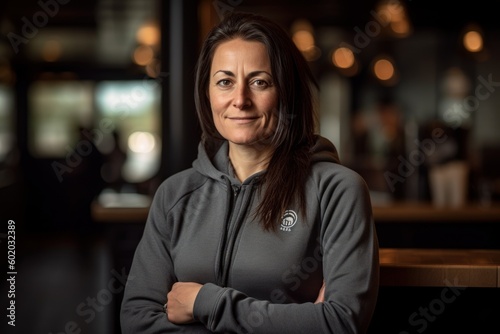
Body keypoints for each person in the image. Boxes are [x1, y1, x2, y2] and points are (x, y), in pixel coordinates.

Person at [120, 12, 379, 334]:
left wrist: (208, 303)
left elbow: (341, 322)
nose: (240, 100)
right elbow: (137, 319)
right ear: (207, 93)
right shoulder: (174, 194)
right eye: (225, 82)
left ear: (287, 92)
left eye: (260, 82)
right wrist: (295, 321)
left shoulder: (337, 190)